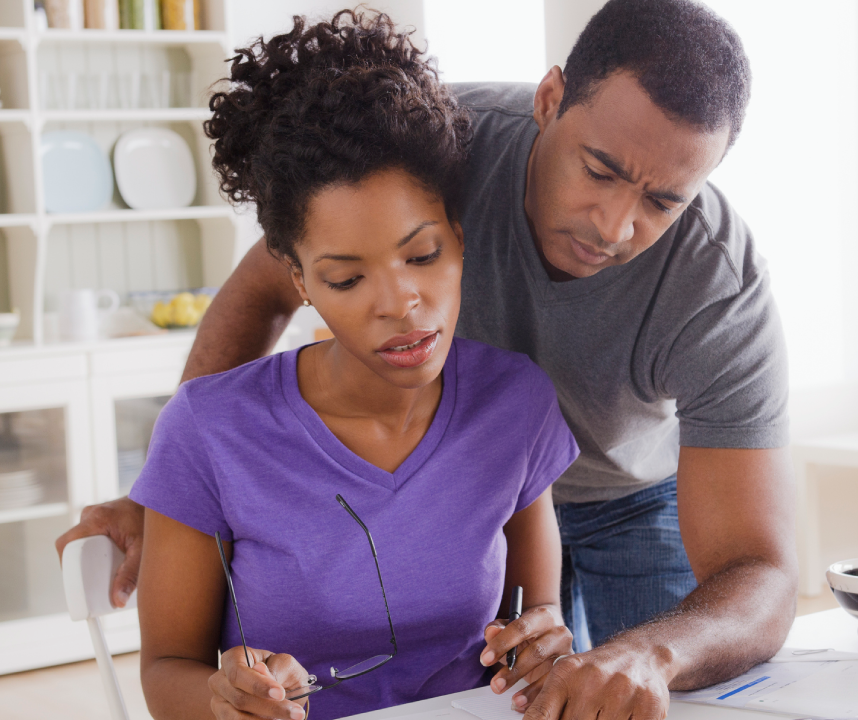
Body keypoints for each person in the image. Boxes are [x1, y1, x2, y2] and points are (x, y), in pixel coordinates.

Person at [58, 1, 798, 719]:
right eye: (599, 170)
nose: (614, 226)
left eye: (664, 201)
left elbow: (759, 574)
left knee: (657, 693)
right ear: (550, 100)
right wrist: (179, 491)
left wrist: (650, 654)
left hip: (618, 488)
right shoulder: (433, 150)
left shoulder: (714, 286)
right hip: (462, 472)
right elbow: (262, 292)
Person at [126, 11, 578, 720]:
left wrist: (544, 644)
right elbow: (164, 672)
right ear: (299, 281)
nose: (400, 303)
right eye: (345, 279)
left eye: (422, 256)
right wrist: (223, 699)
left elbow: (533, 620)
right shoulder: (209, 429)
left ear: (459, 240)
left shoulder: (514, 404)